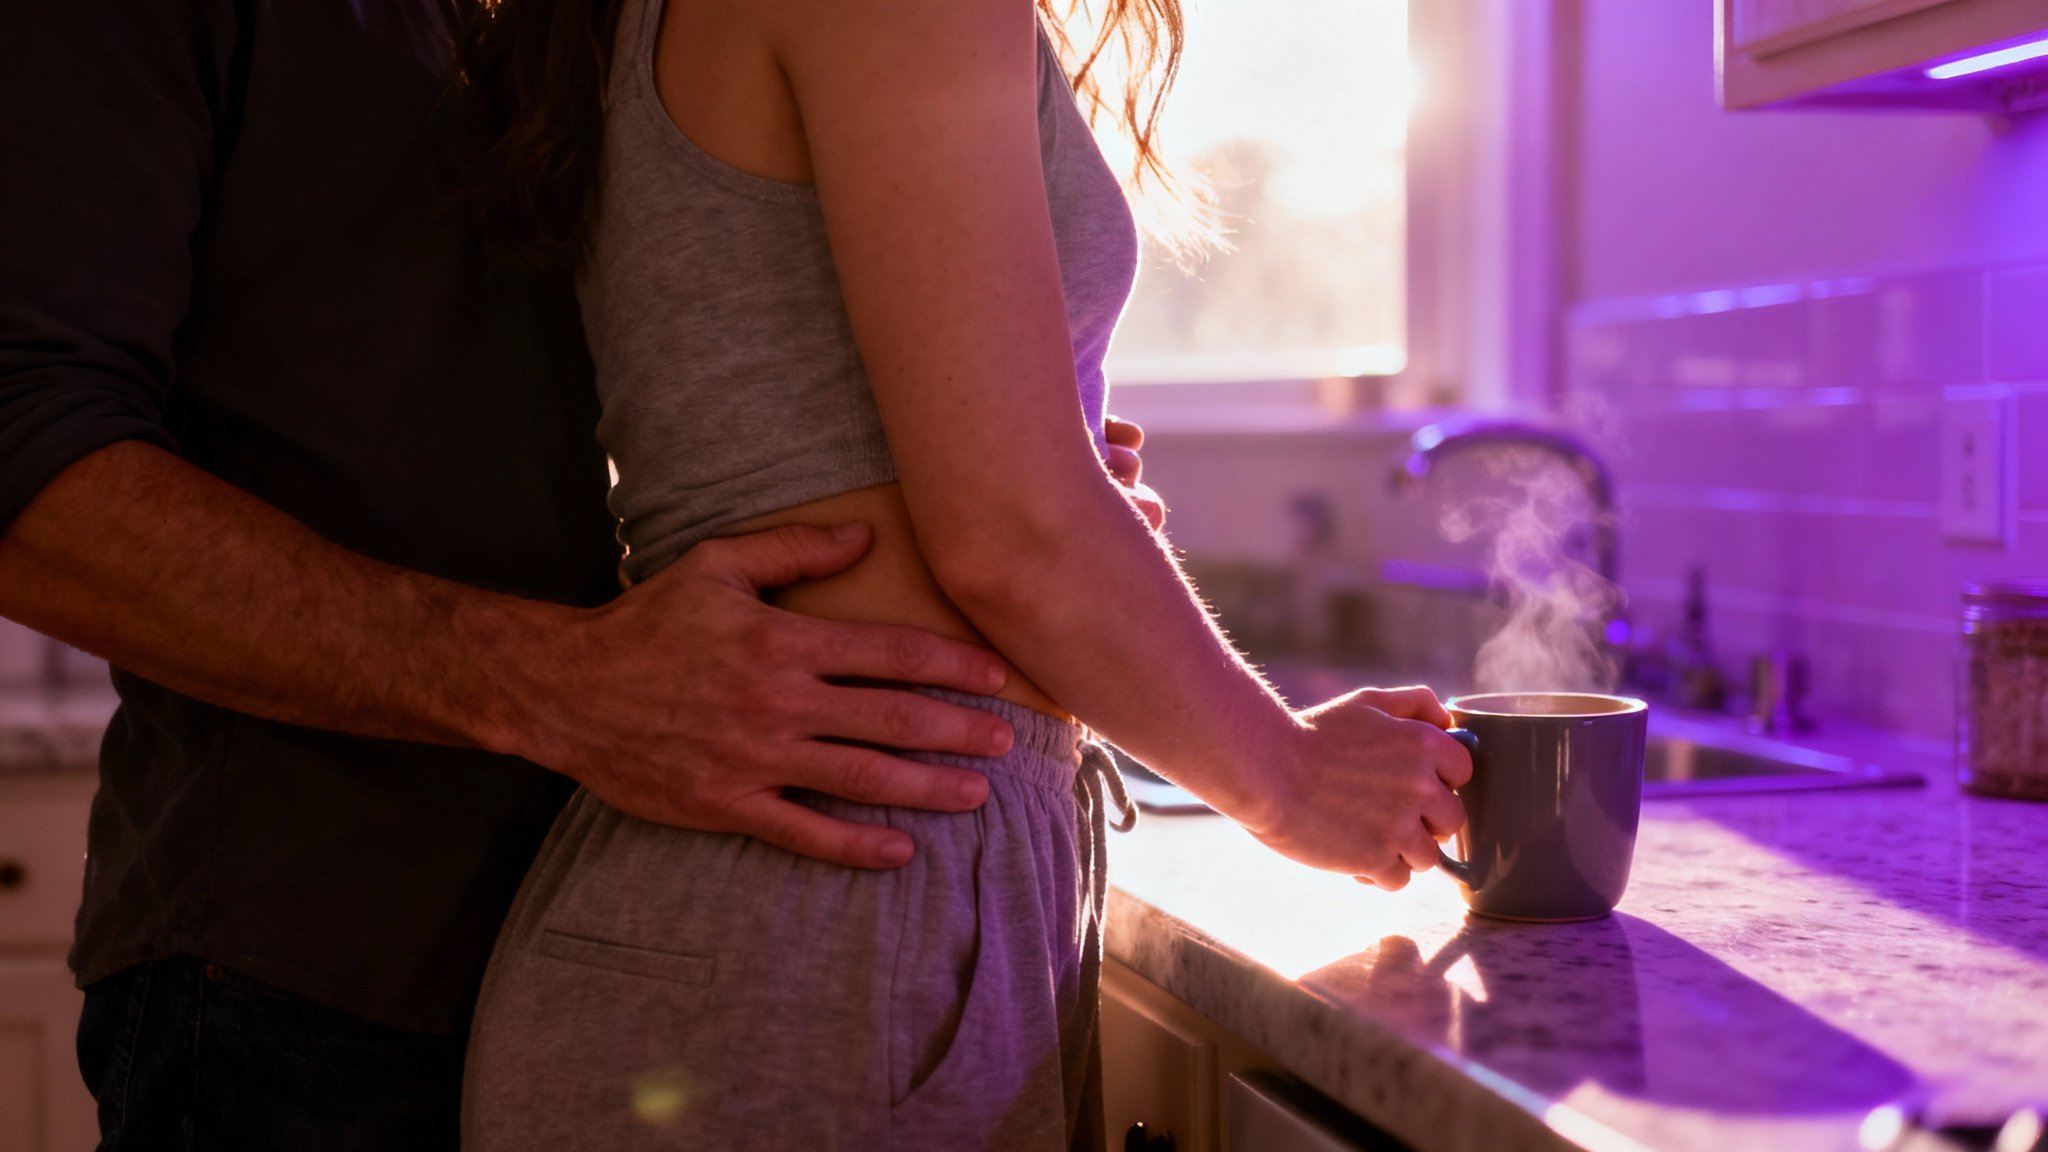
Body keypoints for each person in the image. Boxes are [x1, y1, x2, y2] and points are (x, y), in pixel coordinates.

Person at [0, 3, 1163, 1148]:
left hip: (659, 911)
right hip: (302, 979)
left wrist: (986, 455)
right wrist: (555, 684)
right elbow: (22, 453)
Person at [455, 0, 1474, 1148]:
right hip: (831, 904)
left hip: (786, 900)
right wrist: (1286, 776)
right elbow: (1008, 536)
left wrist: (1055, 469)